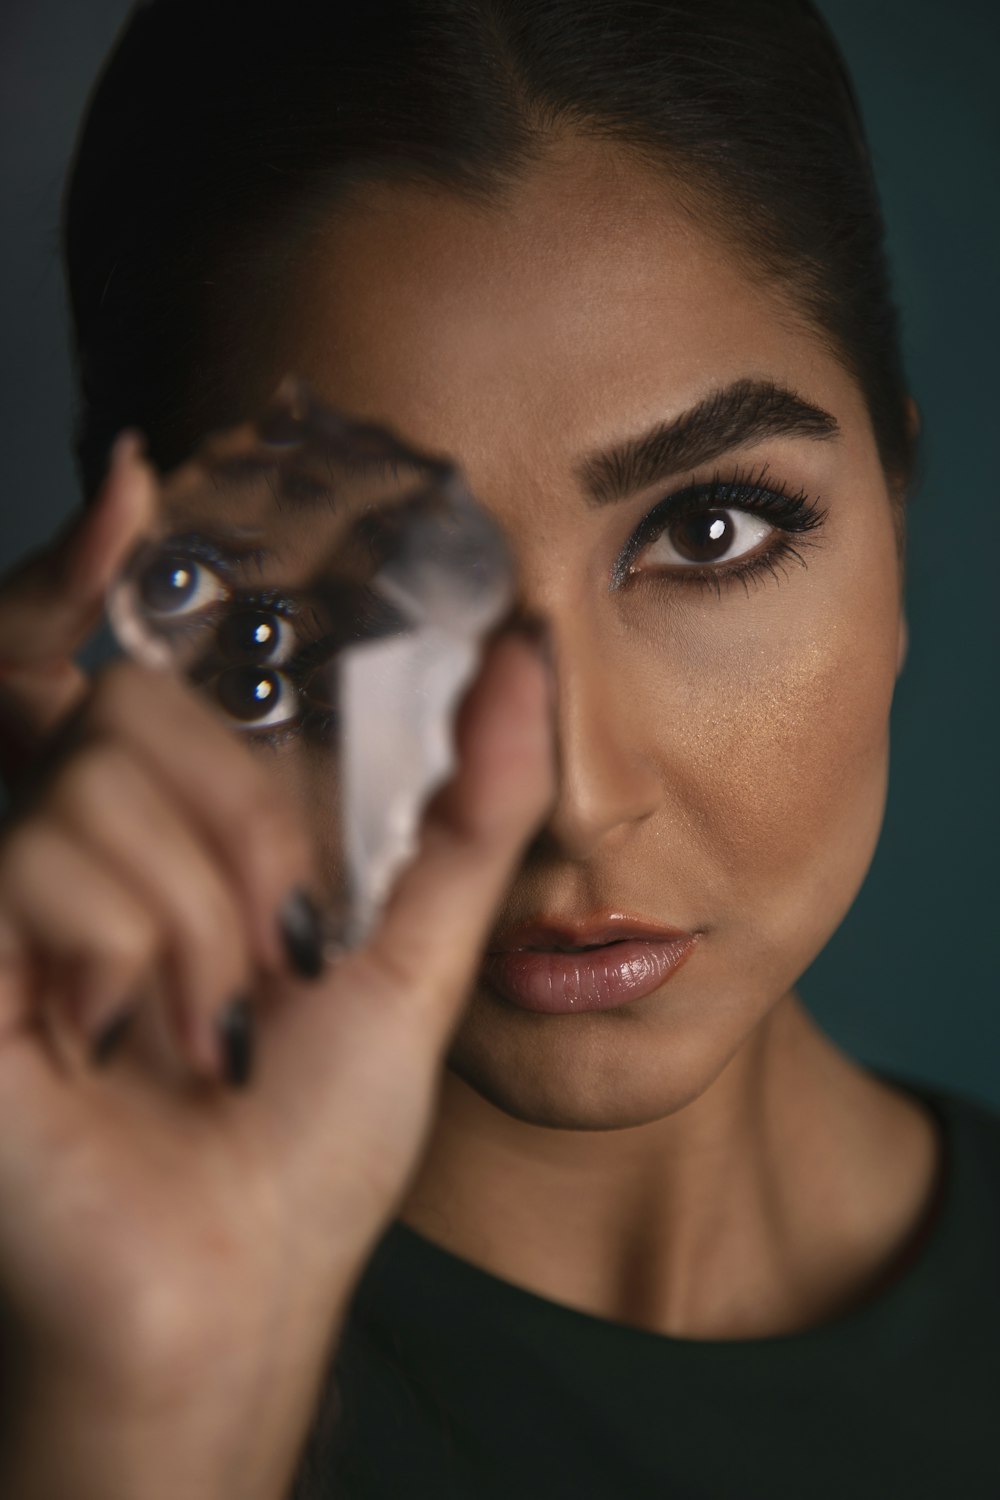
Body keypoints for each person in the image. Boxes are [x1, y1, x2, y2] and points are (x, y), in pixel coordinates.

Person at [0, 1, 997, 1496]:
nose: (572, 799)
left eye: (709, 532)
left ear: (895, 511)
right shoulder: (81, 1365)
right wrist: (144, 1426)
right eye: (353, 581)